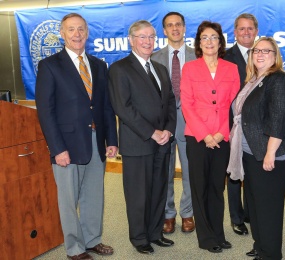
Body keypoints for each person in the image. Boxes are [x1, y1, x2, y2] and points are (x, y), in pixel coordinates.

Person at [35, 13, 118, 260]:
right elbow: (46, 111)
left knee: (94, 195)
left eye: (81, 29)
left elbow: (106, 107)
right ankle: (74, 248)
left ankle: (92, 240)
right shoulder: (50, 65)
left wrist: (112, 140)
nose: (77, 34)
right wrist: (57, 148)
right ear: (62, 34)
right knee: (69, 200)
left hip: (96, 140)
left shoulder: (99, 65)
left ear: (87, 32)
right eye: (71, 29)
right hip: (66, 145)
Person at [108, 20, 177, 255]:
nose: (148, 42)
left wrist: (168, 129)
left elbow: (169, 102)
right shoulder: (120, 69)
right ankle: (139, 237)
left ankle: (155, 233)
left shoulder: (160, 68)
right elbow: (123, 108)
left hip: (163, 142)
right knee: (138, 194)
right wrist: (152, 132)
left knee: (159, 190)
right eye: (142, 37)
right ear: (131, 40)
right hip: (138, 142)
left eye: (151, 37)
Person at [227, 37, 285, 260]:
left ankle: (271, 254)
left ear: (275, 56)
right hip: (250, 152)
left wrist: (270, 153)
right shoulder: (253, 80)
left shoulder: (280, 80)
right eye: (256, 50)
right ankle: (260, 245)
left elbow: (279, 119)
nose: (260, 54)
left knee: (269, 208)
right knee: (255, 205)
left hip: (270, 153)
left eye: (266, 51)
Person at [180, 21, 239, 253]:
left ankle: (218, 234)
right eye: (204, 38)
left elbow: (235, 105)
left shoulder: (231, 68)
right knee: (199, 187)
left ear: (220, 41)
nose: (209, 42)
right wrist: (205, 135)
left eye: (214, 37)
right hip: (197, 137)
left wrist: (220, 133)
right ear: (199, 43)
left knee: (217, 188)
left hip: (223, 136)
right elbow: (187, 105)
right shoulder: (190, 68)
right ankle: (205, 238)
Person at [151, 11, 196, 234]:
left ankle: (188, 213)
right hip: (164, 123)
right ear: (165, 30)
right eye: (170, 25)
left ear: (185, 27)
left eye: (178, 24)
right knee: (165, 171)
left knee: (190, 170)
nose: (175, 29)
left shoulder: (197, 55)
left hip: (191, 121)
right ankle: (168, 214)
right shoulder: (154, 57)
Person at [224, 13, 259, 236]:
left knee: (254, 171)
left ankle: (250, 213)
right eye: (241, 29)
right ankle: (237, 218)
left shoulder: (264, 53)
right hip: (233, 124)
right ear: (235, 32)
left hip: (257, 124)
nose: (246, 33)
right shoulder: (225, 57)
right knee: (235, 171)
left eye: (250, 29)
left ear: (256, 31)